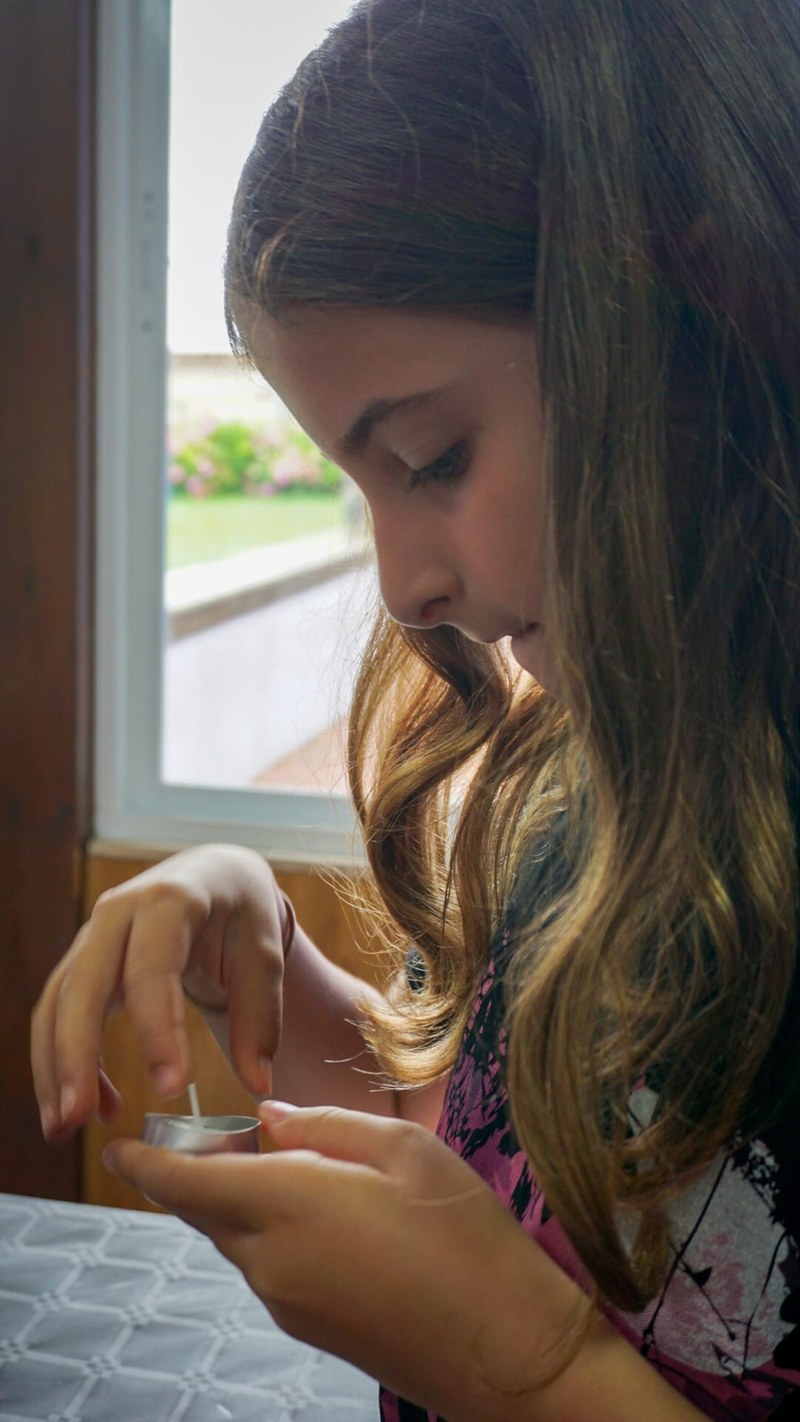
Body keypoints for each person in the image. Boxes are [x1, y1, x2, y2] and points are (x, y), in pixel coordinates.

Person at [31, 0, 800, 1417]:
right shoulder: (585, 789)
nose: (401, 586)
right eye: (363, 481)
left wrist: (529, 1375)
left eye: (435, 457)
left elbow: (510, 1315)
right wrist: (255, 942)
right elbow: (484, 1179)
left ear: (691, 326)